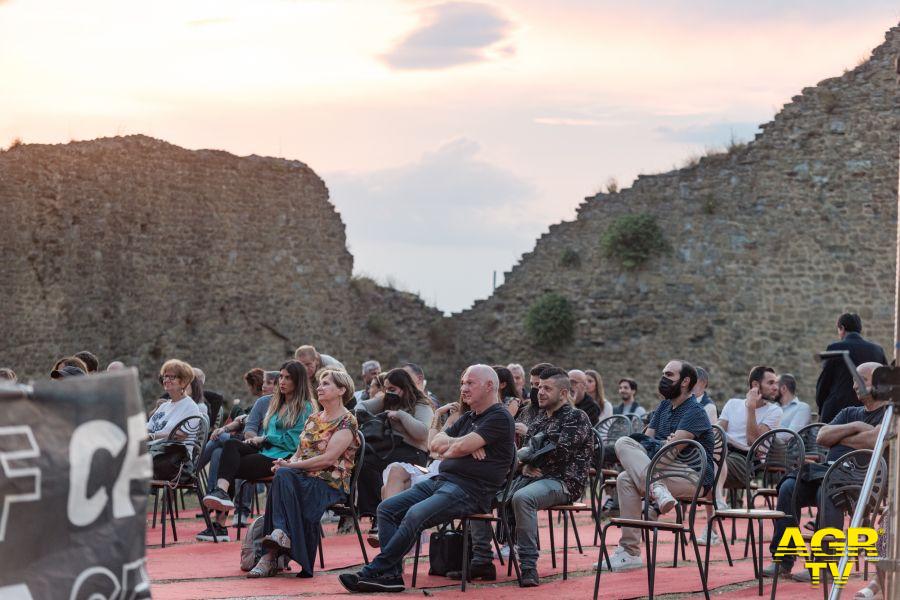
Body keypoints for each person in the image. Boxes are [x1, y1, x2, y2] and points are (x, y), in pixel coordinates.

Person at [338, 365, 515, 594]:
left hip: (470, 490)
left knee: (414, 515)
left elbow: (456, 445)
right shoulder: (470, 417)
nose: (463, 388)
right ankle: (392, 575)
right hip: (442, 481)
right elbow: (434, 446)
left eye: (470, 383)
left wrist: (458, 446)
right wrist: (460, 446)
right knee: (387, 509)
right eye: (462, 383)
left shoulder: (499, 416)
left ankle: (375, 570)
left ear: (490, 386)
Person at [457, 367, 593, 587]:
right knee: (477, 493)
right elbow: (516, 454)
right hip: (530, 478)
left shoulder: (576, 417)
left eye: (547, 388)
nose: (540, 392)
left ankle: (528, 567)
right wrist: (522, 467)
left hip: (563, 482)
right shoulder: (538, 419)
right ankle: (481, 560)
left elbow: (559, 453)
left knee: (523, 498)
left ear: (564, 393)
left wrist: (523, 462)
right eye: (539, 387)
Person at [763, 362, 887, 579]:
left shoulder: (890, 414)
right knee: (789, 488)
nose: (854, 386)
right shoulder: (850, 413)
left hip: (864, 483)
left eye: (861, 381)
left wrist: (842, 438)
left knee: (828, 491)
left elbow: (876, 439)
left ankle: (826, 566)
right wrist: (857, 427)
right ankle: (783, 561)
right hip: (828, 474)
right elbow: (822, 437)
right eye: (853, 381)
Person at [602, 359, 714, 571]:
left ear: (685, 381)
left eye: (669, 375)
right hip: (663, 474)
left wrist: (662, 444)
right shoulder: (663, 406)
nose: (663, 379)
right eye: (663, 373)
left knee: (624, 444)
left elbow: (670, 454)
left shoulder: (694, 411)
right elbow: (647, 445)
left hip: (692, 476)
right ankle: (630, 553)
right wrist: (662, 443)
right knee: (624, 475)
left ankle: (655, 487)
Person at [246, 369, 359, 578]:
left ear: (341, 390)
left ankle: (270, 554)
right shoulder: (314, 418)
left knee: (285, 476)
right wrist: (286, 463)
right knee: (282, 474)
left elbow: (328, 460)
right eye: (319, 384)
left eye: (326, 384)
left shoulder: (347, 421)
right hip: (303, 478)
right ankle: (278, 538)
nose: (319, 387)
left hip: (329, 483)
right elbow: (298, 454)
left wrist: (291, 467)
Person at [202, 360, 316, 540]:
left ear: (298, 381)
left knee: (228, 462)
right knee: (230, 445)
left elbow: (294, 443)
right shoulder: (274, 403)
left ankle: (219, 519)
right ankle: (221, 492)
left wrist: (264, 438)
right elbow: (252, 427)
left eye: (288, 378)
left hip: (282, 457)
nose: (282, 382)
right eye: (281, 377)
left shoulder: (305, 407)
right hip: (264, 450)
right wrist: (257, 440)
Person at [355, 368, 434, 520]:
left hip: (414, 453)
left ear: (404, 388)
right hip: (390, 448)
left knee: (383, 464)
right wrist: (372, 417)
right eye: (385, 389)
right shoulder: (387, 399)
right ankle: (372, 511)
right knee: (365, 461)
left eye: (392, 389)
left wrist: (401, 416)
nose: (388, 392)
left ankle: (383, 516)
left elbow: (422, 433)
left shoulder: (421, 405)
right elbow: (361, 407)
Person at [717, 366, 783, 492]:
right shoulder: (732, 403)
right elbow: (716, 432)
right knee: (697, 462)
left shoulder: (774, 411)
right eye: (770, 383)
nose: (775, 387)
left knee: (710, 465)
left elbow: (752, 441)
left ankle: (717, 501)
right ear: (755, 385)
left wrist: (751, 408)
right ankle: (717, 501)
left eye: (776, 383)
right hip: (722, 453)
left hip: (745, 462)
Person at [815, 313, 887, 423]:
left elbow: (824, 382)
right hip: (868, 412)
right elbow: (884, 381)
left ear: (842, 328)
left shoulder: (835, 348)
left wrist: (821, 407)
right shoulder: (877, 350)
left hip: (836, 410)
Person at [147, 360, 202, 478]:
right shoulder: (164, 406)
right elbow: (148, 428)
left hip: (176, 462)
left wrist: (152, 436)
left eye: (171, 377)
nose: (166, 380)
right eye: (165, 376)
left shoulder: (190, 407)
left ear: (183, 382)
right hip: (155, 456)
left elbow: (179, 435)